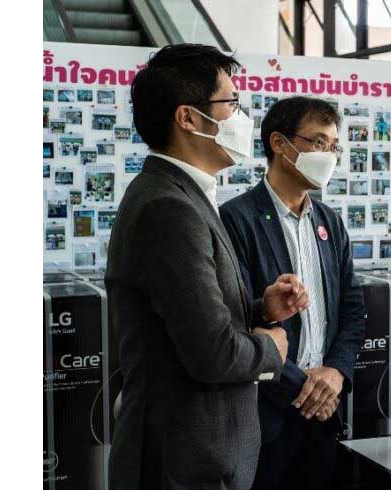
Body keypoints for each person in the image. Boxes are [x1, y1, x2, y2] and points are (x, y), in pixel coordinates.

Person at [105, 43, 309, 490]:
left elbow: (183, 319)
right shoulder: (168, 208)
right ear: (188, 118)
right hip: (184, 463)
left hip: (199, 457)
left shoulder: (184, 194)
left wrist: (260, 310)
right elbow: (213, 354)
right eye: (231, 103)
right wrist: (273, 346)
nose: (241, 115)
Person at [219, 96, 367, 490]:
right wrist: (300, 386)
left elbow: (353, 310)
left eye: (333, 145)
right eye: (318, 142)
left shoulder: (330, 223)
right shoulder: (236, 220)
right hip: (266, 412)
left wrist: (336, 373)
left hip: (325, 411)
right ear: (280, 144)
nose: (329, 154)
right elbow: (233, 318)